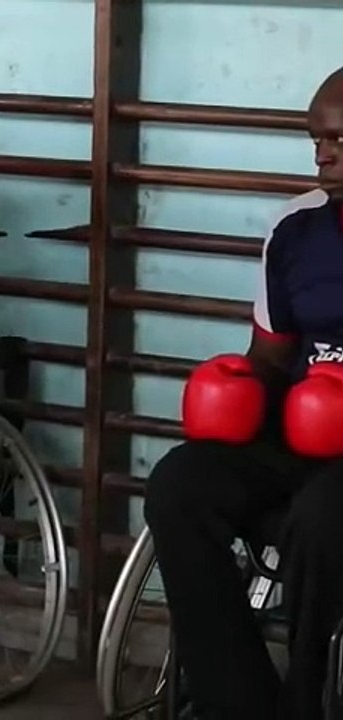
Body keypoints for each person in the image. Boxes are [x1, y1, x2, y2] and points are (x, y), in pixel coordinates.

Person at [144, 67, 343, 720]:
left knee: (321, 516)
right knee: (178, 483)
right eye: (316, 139)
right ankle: (237, 700)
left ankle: (305, 701)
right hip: (304, 430)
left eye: (340, 139)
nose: (324, 154)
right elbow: (270, 355)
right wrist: (231, 389)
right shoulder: (295, 229)